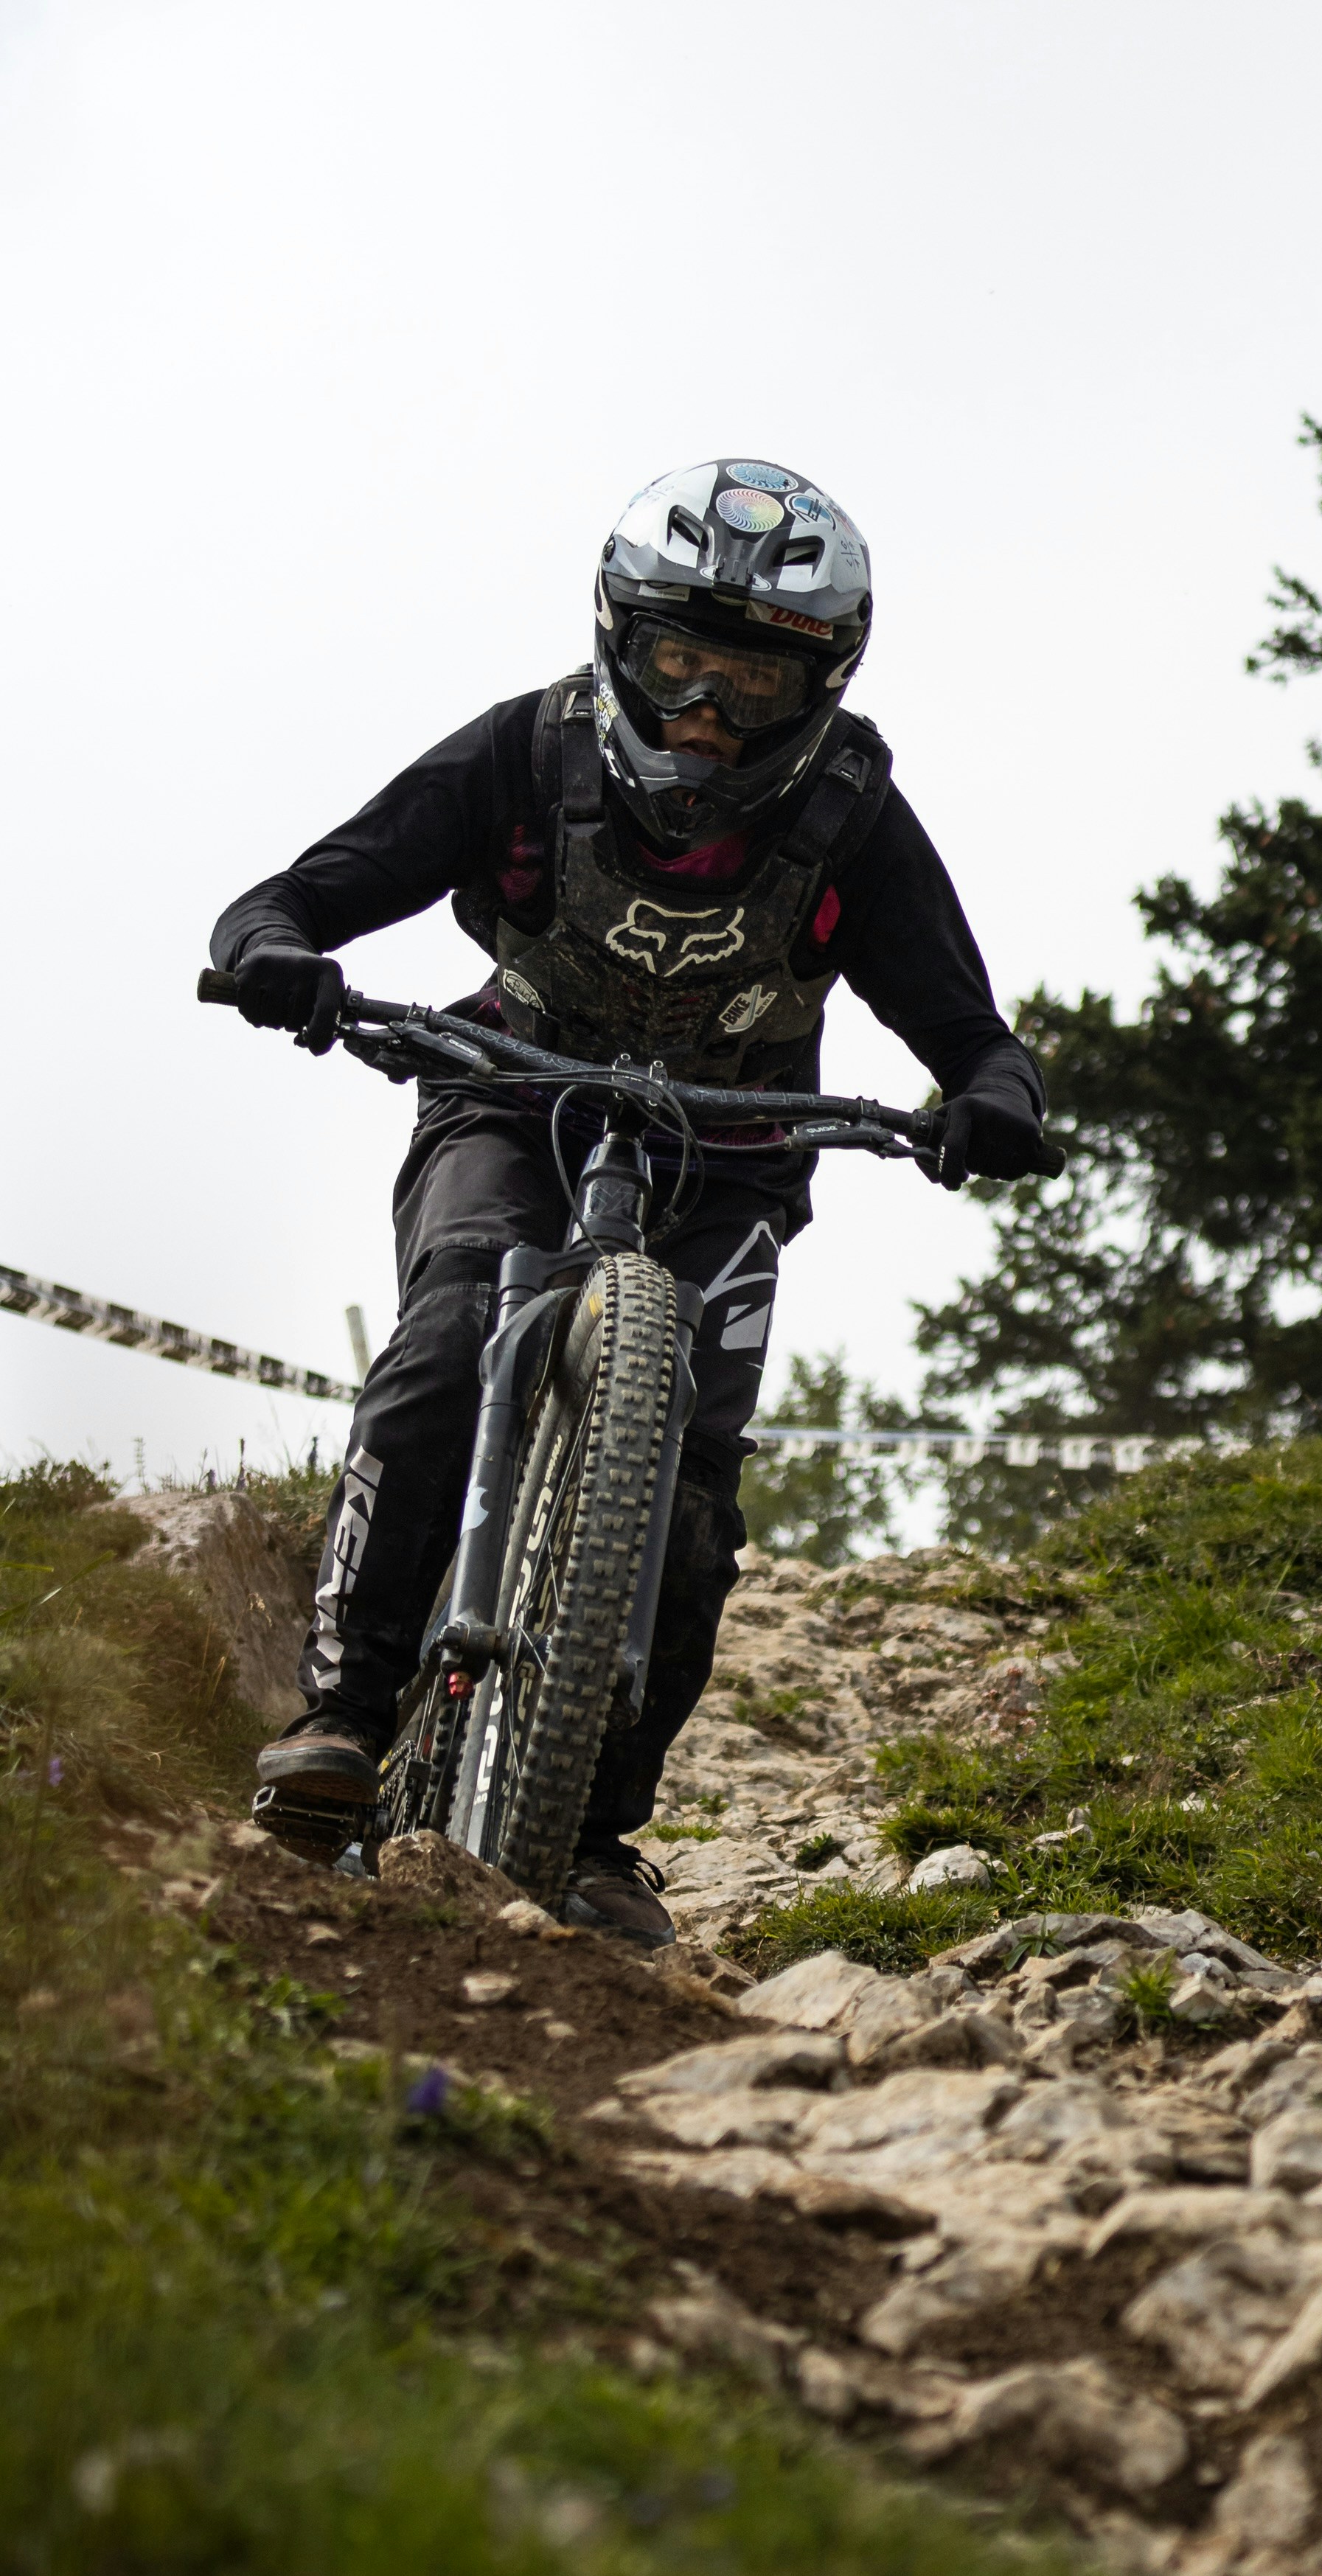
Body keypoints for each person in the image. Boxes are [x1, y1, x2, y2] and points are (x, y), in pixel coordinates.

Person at [211, 459, 1059, 1944]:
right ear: (620, 638)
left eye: (751, 678)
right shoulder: (525, 758)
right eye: (678, 663)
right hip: (507, 1098)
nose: (706, 716)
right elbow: (302, 892)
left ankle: (597, 1836)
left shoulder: (853, 818)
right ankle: (342, 1716)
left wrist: (992, 1098)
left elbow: (969, 1030)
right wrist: (277, 948)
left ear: (822, 683)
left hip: (728, 1155)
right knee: (448, 1335)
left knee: (694, 1487)